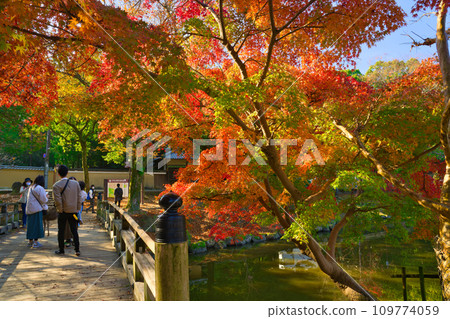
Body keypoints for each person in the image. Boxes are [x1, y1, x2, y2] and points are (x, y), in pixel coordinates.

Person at [53, 165, 82, 256]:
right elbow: (79, 197)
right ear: (67, 172)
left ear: (58, 174)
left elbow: (57, 200)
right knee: (74, 230)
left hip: (63, 212)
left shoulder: (56, 185)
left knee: (61, 230)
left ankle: (61, 249)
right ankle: (77, 249)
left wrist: (60, 210)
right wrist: (77, 209)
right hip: (73, 211)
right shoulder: (75, 183)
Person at [25, 175, 47, 248]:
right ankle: (35, 242)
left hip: (29, 209)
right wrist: (47, 197)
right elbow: (43, 200)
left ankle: (30, 241)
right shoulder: (40, 188)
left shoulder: (31, 187)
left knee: (30, 226)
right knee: (37, 226)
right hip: (36, 209)